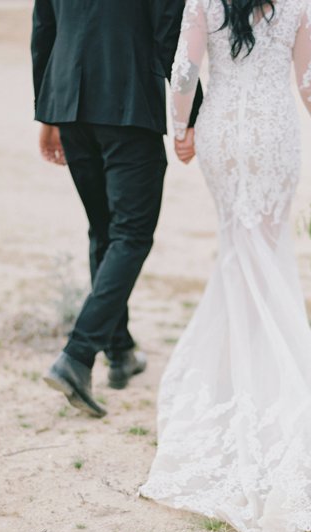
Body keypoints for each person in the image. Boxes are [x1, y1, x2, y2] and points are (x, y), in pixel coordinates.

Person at [137, 0, 311, 532]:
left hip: (221, 134)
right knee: (264, 258)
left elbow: (184, 69)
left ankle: (238, 384)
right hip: (274, 137)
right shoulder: (298, 3)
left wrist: (179, 128)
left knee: (236, 253)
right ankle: (272, 386)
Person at [31, 0, 202, 418]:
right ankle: (78, 354)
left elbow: (43, 32)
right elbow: (170, 39)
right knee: (131, 235)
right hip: (127, 107)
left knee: (104, 232)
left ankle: (120, 352)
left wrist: (48, 113)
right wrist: (193, 114)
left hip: (70, 103)